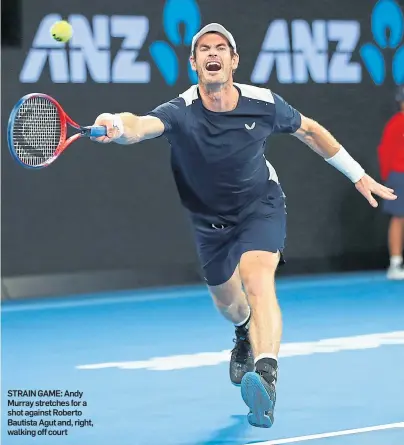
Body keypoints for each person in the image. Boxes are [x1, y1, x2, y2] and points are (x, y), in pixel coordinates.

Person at [91, 23, 396, 428]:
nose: (212, 53)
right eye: (204, 48)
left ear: (233, 61)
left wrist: (356, 174)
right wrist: (115, 123)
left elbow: (309, 130)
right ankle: (242, 333)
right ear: (195, 63)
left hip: (259, 205)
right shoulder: (180, 112)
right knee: (229, 304)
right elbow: (139, 125)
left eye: (221, 47)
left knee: (258, 279)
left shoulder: (263, 103)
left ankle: (267, 376)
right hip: (208, 222)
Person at [377, 85, 404, 280]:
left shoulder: (394, 122)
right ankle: (395, 264)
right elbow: (385, 152)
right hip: (399, 176)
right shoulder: (396, 123)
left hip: (396, 175)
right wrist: (388, 178)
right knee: (398, 217)